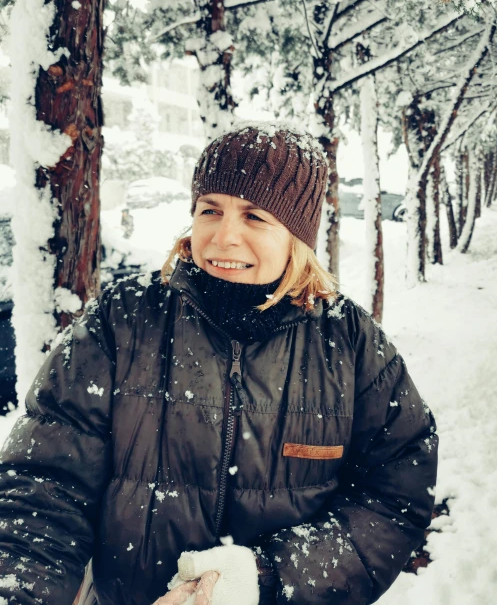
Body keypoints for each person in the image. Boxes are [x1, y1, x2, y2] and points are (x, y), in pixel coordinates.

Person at [0, 124, 438, 605]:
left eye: (255, 216)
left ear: (297, 236)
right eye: (211, 210)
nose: (224, 236)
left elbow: (395, 498)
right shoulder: (122, 321)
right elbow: (43, 487)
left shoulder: (351, 344)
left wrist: (264, 576)